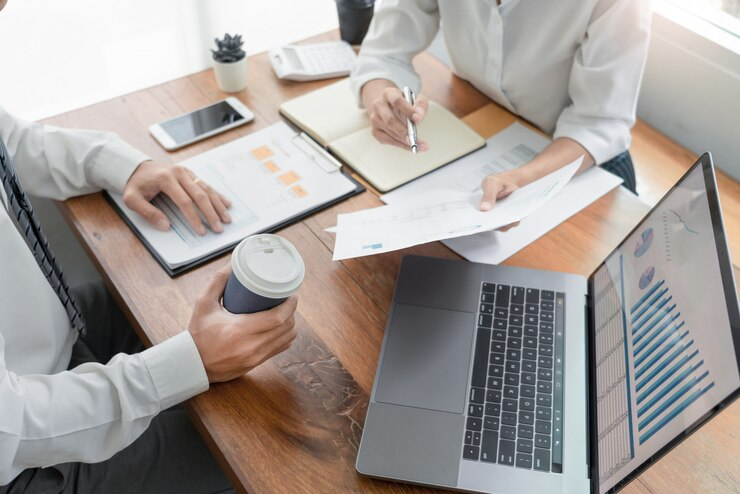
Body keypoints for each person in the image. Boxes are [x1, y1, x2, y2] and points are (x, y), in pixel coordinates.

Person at [0, 4, 297, 491]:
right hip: (20, 462)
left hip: (43, 342)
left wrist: (123, 165)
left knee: (144, 308)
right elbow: (10, 428)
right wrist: (189, 364)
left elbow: (10, 140)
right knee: (259, 440)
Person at [352, 0, 651, 210]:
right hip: (487, 126)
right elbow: (383, 53)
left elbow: (598, 124)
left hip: (581, 160)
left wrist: (522, 179)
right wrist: (383, 101)